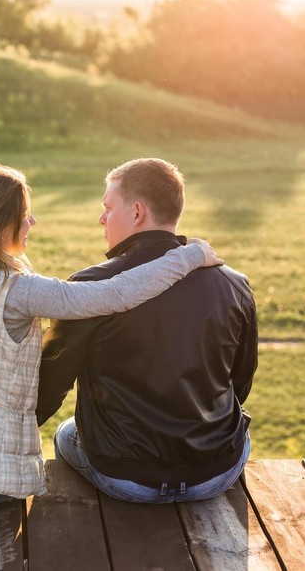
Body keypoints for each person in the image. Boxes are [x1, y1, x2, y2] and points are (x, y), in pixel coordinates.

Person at [0, 164, 223, 506]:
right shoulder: (20, 291)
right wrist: (189, 256)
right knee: (70, 435)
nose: (32, 221)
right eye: (24, 216)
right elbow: (115, 294)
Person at [36, 158, 258, 504]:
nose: (102, 219)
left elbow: (49, 388)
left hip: (124, 477)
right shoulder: (235, 283)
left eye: (108, 207)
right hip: (215, 471)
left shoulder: (89, 288)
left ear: (137, 212)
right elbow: (240, 382)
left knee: (67, 432)